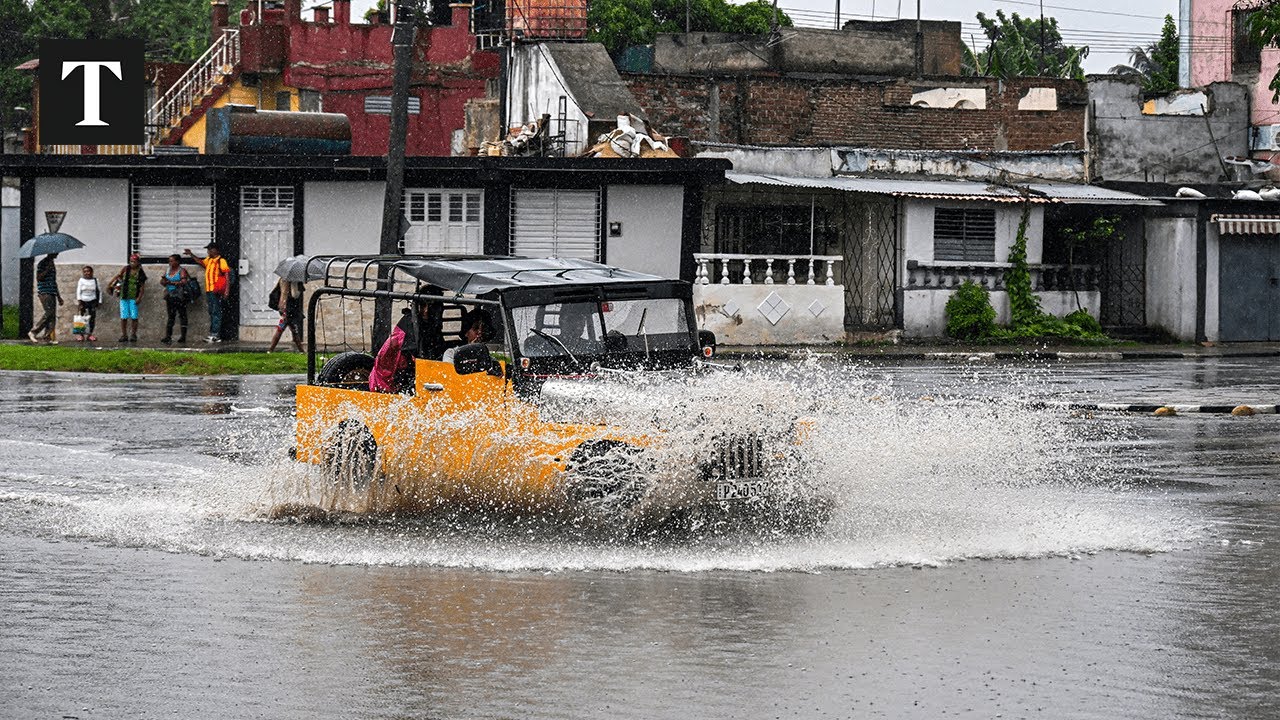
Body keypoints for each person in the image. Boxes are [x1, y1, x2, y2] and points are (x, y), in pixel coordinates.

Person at [369, 301, 436, 393]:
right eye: (423, 306)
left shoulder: (430, 322)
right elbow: (412, 353)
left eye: (431, 307)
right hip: (392, 374)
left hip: (402, 368)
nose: (426, 311)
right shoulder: (410, 322)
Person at [184, 243, 230, 343]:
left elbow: (227, 275)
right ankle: (213, 334)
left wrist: (226, 291)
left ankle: (215, 335)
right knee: (212, 311)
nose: (208, 252)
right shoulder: (209, 260)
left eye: (210, 249)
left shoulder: (221, 261)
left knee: (216, 312)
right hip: (209, 290)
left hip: (216, 290)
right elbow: (200, 262)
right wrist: (191, 254)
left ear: (216, 250)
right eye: (208, 250)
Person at [109, 253, 147, 343]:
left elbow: (142, 287)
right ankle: (124, 335)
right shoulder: (126, 269)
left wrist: (139, 298)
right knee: (124, 317)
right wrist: (111, 285)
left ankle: (133, 334)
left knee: (134, 317)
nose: (132, 263)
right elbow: (118, 277)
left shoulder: (140, 272)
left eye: (134, 261)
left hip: (134, 297)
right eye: (131, 261)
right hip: (124, 296)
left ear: (138, 262)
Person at [28, 253, 62, 344]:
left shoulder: (52, 263)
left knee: (52, 316)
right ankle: (33, 332)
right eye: (56, 252)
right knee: (49, 313)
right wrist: (47, 269)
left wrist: (59, 297)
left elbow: (53, 281)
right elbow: (39, 278)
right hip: (45, 292)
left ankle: (47, 337)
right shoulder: (43, 263)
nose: (57, 253)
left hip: (52, 292)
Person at [159, 254, 191, 344]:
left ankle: (183, 336)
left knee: (182, 315)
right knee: (171, 316)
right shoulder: (168, 270)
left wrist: (172, 283)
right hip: (170, 296)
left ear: (177, 261)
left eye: (172, 261)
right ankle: (168, 336)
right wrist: (164, 281)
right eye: (169, 261)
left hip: (180, 296)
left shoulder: (182, 271)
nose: (170, 263)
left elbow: (184, 282)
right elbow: (162, 282)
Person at [266, 277, 304, 353]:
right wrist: (297, 284)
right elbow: (295, 295)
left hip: (285, 309)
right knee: (289, 330)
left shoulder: (282, 279)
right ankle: (301, 351)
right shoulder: (291, 281)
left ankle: (270, 350)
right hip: (289, 310)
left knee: (291, 330)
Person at [74, 266, 103, 342]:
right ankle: (80, 335)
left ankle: (90, 334)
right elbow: (78, 291)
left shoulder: (95, 280)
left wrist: (99, 301)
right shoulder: (81, 280)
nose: (87, 273)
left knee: (92, 318)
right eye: (85, 271)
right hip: (83, 301)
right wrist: (79, 301)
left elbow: (99, 291)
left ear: (92, 272)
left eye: (88, 271)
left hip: (92, 301)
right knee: (81, 318)